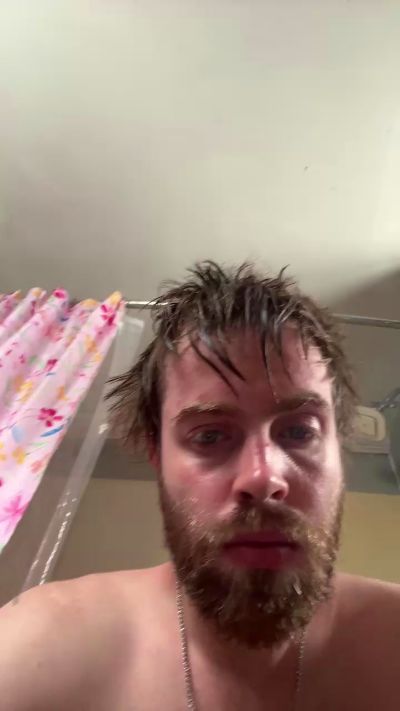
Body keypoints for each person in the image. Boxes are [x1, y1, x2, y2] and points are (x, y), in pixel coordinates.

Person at [0, 261, 399, 711]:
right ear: (157, 455)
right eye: (210, 436)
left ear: (339, 451)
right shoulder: (35, 651)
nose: (263, 477)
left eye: (299, 432)